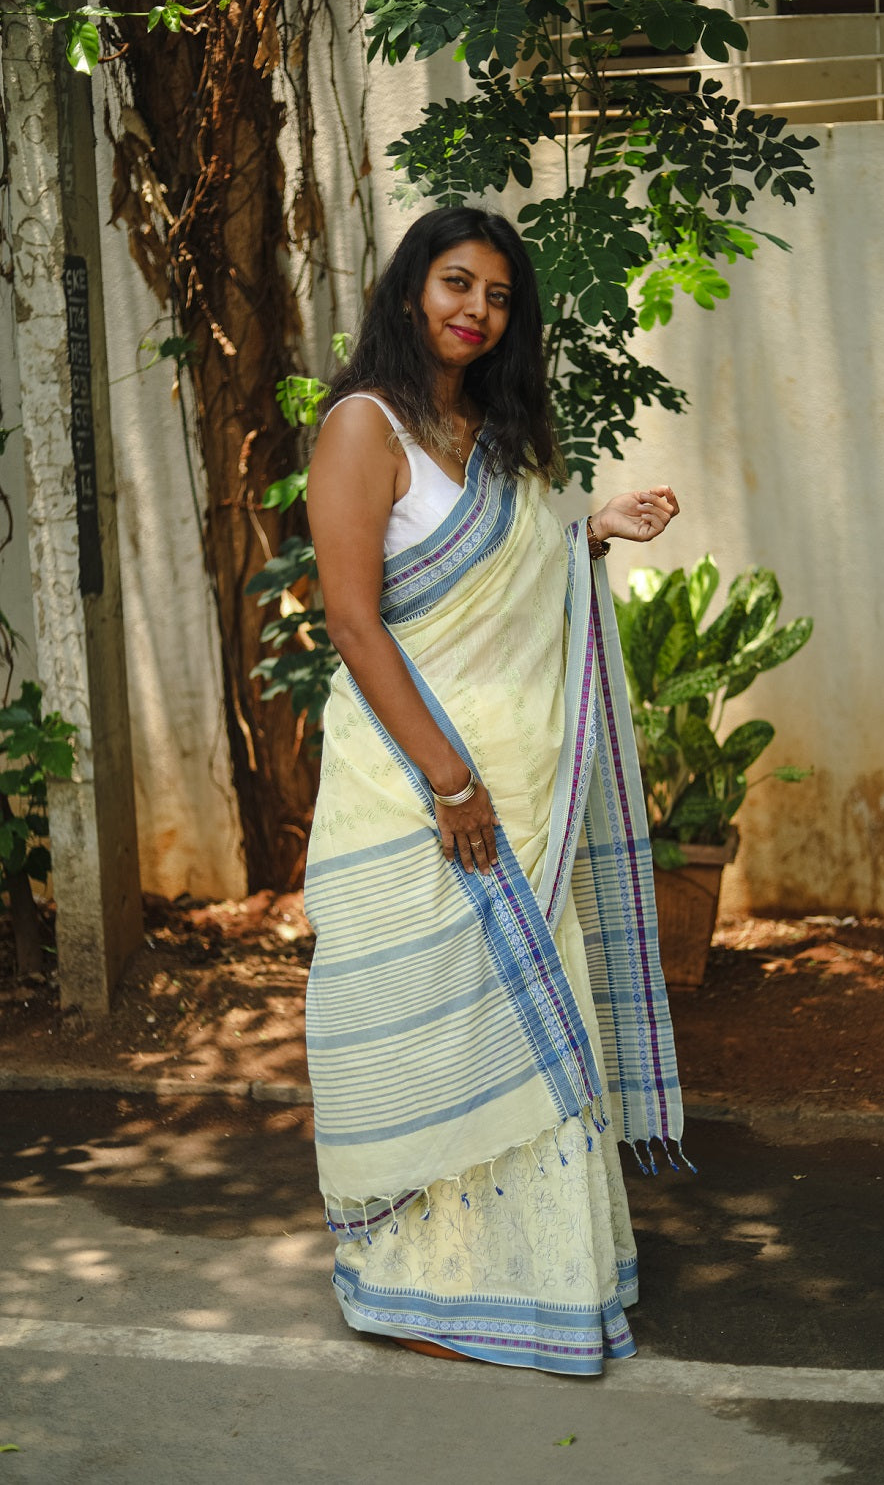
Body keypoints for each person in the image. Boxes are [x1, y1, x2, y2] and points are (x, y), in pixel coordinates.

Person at [304, 205, 684, 1376]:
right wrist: (451, 779)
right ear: (412, 289)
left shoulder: (492, 432)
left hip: (524, 791)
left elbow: (516, 566)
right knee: (415, 1024)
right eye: (456, 282)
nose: (476, 309)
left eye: (499, 295)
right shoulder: (363, 428)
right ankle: (411, 1277)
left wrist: (594, 532)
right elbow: (358, 624)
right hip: (414, 787)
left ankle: (531, 1277)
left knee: (518, 1028)